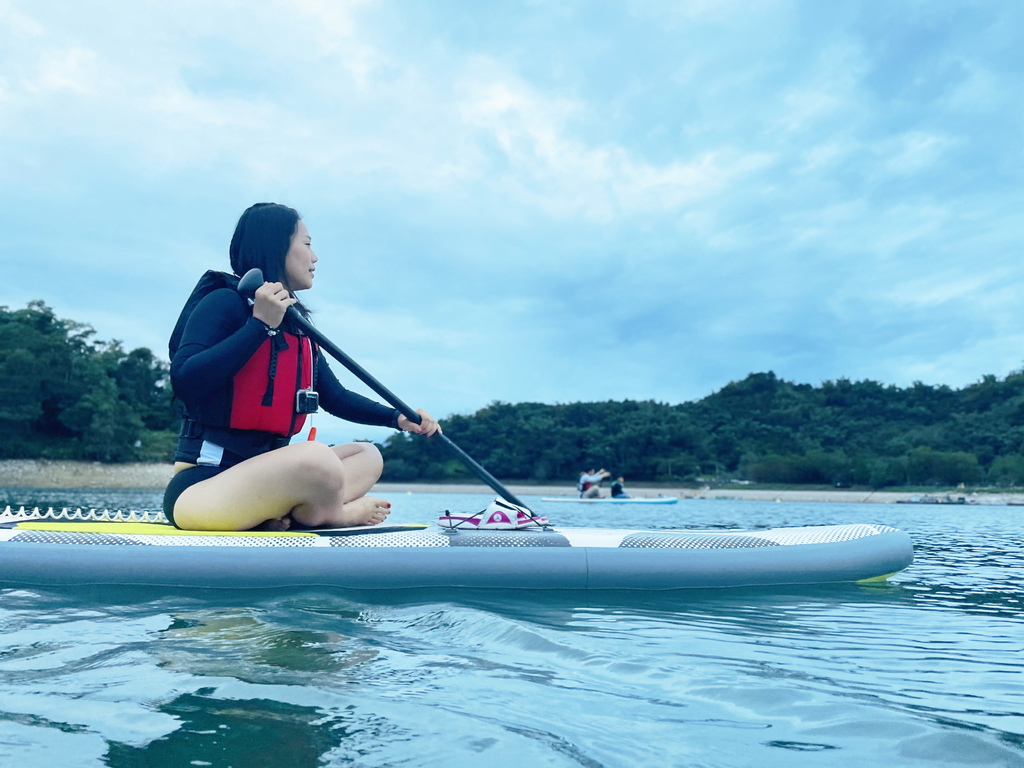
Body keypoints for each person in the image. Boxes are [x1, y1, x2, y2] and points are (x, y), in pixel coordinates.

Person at [163, 202, 440, 531]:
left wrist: (396, 417)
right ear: (276, 246)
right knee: (316, 458)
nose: (315, 257)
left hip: (272, 482)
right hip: (203, 490)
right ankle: (337, 515)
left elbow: (334, 396)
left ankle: (288, 517)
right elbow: (186, 380)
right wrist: (258, 326)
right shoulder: (224, 303)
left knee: (368, 455)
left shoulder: (296, 326)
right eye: (307, 244)